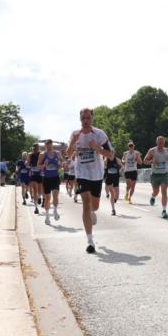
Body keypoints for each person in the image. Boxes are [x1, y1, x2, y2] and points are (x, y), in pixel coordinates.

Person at [67, 108, 113, 253]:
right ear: (80, 119)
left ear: (92, 118)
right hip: (82, 173)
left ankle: (93, 212)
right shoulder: (75, 134)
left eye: (88, 118)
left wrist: (97, 148)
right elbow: (68, 155)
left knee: (95, 206)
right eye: (83, 118)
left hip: (97, 175)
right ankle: (90, 241)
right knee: (85, 203)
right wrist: (72, 143)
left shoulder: (100, 134)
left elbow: (111, 155)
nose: (85, 121)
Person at [143, 136, 168, 219]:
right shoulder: (152, 151)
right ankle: (153, 196)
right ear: (157, 143)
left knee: (164, 191)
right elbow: (144, 161)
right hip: (155, 175)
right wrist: (151, 161)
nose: (161, 144)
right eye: (159, 142)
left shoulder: (167, 150)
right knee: (156, 192)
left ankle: (164, 211)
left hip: (164, 174)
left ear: (164, 143)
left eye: (162, 142)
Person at [38, 139, 63, 225]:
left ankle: (55, 211)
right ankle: (47, 216)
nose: (49, 147)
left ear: (52, 145)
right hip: (46, 178)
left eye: (50, 146)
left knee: (55, 196)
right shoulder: (42, 155)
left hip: (55, 177)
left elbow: (61, 164)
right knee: (47, 198)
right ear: (45, 146)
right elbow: (38, 166)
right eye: (47, 146)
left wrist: (60, 164)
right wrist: (44, 165)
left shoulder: (58, 153)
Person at [28, 144, 43, 214]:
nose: (35, 150)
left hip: (40, 174)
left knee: (39, 190)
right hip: (33, 174)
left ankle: (39, 197)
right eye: (33, 149)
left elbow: (44, 163)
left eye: (36, 149)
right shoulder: (30, 155)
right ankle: (36, 207)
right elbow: (27, 164)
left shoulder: (41, 154)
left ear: (38, 149)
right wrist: (27, 160)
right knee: (34, 190)